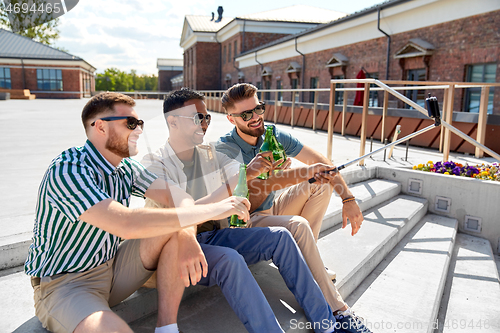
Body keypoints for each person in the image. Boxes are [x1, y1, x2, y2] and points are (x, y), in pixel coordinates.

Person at [24, 92, 251, 333]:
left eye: (140, 123)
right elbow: (125, 223)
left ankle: (166, 328)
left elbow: (179, 198)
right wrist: (215, 209)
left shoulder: (126, 167)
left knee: (173, 224)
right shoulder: (68, 169)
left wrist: (186, 235)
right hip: (66, 283)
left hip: (112, 268)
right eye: (131, 123)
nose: (139, 130)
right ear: (100, 127)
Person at [141, 88, 342, 333]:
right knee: (230, 259)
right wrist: (235, 189)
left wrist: (306, 172)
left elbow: (246, 178)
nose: (204, 124)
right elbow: (181, 214)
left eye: (206, 118)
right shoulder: (154, 163)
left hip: (212, 236)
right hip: (174, 247)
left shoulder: (210, 154)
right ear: (172, 121)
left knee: (282, 237)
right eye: (197, 118)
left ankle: (328, 325)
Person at [216, 83, 371, 333]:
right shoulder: (226, 149)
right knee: (297, 223)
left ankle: (307, 261)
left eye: (258, 109)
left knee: (321, 184)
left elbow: (321, 162)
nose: (256, 117)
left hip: (271, 207)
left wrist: (348, 199)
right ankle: (339, 311)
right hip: (244, 220)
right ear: (231, 118)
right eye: (246, 114)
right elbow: (247, 201)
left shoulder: (273, 135)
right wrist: (272, 174)